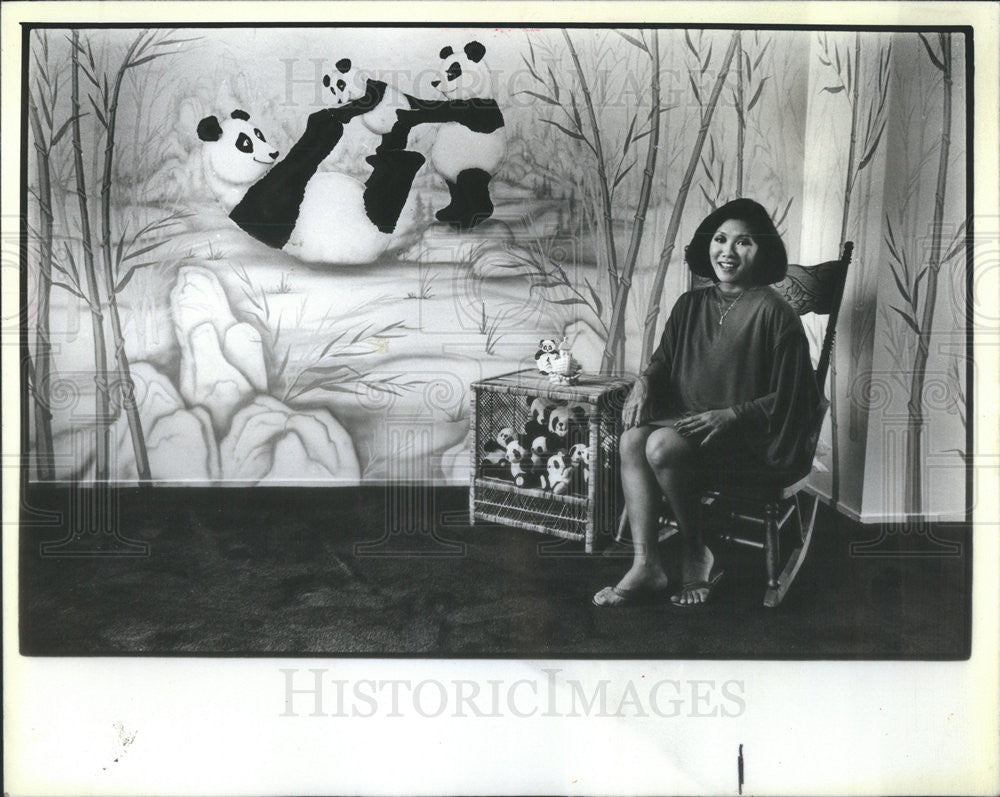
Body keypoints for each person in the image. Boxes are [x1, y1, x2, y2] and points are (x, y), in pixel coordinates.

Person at [593, 198, 821, 608]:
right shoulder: (689, 305)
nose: (728, 252)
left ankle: (698, 549)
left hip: (749, 437)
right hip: (688, 424)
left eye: (744, 242)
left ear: (763, 250)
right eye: (720, 239)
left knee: (659, 445)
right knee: (631, 440)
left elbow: (796, 396)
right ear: (707, 245)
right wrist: (644, 380)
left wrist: (733, 414)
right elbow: (662, 362)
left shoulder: (776, 313)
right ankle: (647, 564)